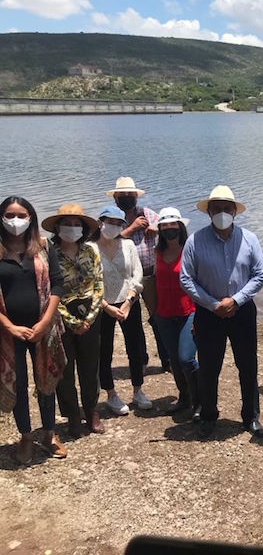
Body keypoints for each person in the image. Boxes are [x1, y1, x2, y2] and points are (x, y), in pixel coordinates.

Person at [180, 186, 263, 439]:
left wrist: (236, 300)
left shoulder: (249, 238)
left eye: (226, 208)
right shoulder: (195, 241)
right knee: (209, 366)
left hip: (242, 311)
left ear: (234, 211)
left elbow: (260, 274)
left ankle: (250, 416)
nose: (222, 213)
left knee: (247, 364)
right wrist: (212, 304)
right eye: (216, 209)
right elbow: (187, 279)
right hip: (209, 313)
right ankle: (209, 415)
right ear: (209, 212)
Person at [0, 196, 67, 464]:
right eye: (9, 215)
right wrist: (9, 326)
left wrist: (44, 322)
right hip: (7, 333)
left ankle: (49, 434)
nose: (15, 221)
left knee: (46, 380)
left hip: (43, 329)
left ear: (31, 218)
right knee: (18, 384)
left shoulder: (43, 246)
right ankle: (26, 436)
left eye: (21, 215)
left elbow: (57, 285)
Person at [44, 204, 106, 437]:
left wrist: (89, 317)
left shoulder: (91, 250)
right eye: (67, 224)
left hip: (90, 314)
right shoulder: (49, 253)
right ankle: (72, 416)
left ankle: (91, 411)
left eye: (76, 224)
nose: (72, 228)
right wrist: (70, 320)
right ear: (57, 228)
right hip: (61, 317)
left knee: (91, 366)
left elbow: (99, 284)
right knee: (65, 369)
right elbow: (49, 290)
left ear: (84, 228)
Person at [107, 177, 168, 372]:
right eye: (123, 194)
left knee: (157, 317)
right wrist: (131, 229)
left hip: (149, 275)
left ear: (136, 196)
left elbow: (169, 226)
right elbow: (107, 241)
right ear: (115, 197)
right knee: (132, 320)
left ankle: (166, 359)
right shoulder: (113, 218)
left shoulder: (146, 213)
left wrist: (155, 229)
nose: (127, 197)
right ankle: (141, 359)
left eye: (130, 194)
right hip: (124, 279)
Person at [96, 205, 151, 415]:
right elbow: (90, 282)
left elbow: (137, 275)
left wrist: (128, 301)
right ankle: (111, 395)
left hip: (129, 302)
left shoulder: (128, 245)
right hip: (102, 306)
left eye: (119, 223)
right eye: (110, 222)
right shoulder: (91, 248)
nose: (114, 226)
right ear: (100, 222)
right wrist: (106, 307)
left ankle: (138, 391)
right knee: (104, 351)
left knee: (135, 348)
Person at [153, 207, 199, 420]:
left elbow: (199, 282)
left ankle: (200, 399)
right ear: (160, 229)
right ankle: (184, 397)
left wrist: (199, 314)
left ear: (180, 227)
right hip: (163, 314)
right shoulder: (157, 252)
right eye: (165, 226)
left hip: (187, 312)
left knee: (186, 358)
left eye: (173, 225)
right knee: (173, 359)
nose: (169, 229)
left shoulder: (190, 250)